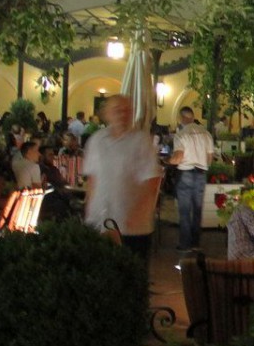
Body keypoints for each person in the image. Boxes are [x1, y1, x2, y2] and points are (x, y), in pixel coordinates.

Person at [82, 95, 164, 260]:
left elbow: (152, 182)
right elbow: (92, 179)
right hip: (99, 222)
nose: (122, 114)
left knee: (130, 270)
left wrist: (136, 214)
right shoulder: (96, 140)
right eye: (117, 110)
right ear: (106, 114)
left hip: (132, 227)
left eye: (127, 110)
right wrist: (89, 210)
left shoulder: (141, 141)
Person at [169, 105, 216, 253]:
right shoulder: (206, 133)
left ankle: (185, 244)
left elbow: (178, 157)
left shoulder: (181, 135)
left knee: (184, 211)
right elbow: (210, 158)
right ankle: (195, 243)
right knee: (197, 209)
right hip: (201, 173)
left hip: (185, 174)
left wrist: (168, 161)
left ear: (182, 118)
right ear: (193, 116)